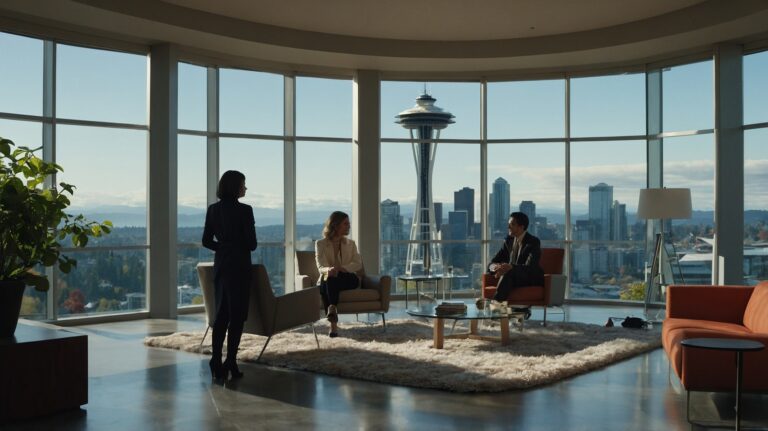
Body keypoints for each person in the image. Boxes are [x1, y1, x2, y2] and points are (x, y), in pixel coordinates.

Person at [202, 170, 257, 380]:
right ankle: (231, 361)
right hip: (239, 267)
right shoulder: (245, 210)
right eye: (243, 184)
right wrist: (236, 247)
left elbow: (206, 241)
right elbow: (251, 244)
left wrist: (223, 248)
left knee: (221, 316)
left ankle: (216, 360)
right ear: (235, 187)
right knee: (237, 317)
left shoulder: (213, 209)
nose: (245, 188)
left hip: (222, 266)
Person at [315, 211, 362, 337]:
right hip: (330, 277)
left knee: (328, 281)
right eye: (345, 224)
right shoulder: (320, 244)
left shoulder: (351, 244)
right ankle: (333, 314)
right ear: (335, 225)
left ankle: (332, 321)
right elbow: (320, 266)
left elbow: (358, 264)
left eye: (349, 223)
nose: (349, 226)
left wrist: (343, 268)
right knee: (329, 279)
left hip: (348, 278)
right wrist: (328, 270)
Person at [488, 212, 544, 318]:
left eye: (512, 224)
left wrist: (511, 267)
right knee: (507, 274)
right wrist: (496, 267)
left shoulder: (533, 242)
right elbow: (491, 264)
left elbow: (530, 267)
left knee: (508, 273)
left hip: (529, 277)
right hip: (511, 278)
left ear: (521, 227)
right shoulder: (508, 241)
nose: (508, 226)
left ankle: (495, 311)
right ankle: (513, 311)